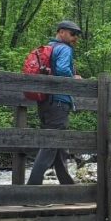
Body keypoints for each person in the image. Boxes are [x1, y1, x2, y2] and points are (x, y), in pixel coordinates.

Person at [27, 20, 82, 185]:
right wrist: (75, 77)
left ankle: (67, 189)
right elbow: (63, 69)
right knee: (50, 145)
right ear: (62, 32)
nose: (75, 39)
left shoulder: (49, 48)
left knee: (59, 145)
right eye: (73, 34)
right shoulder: (64, 49)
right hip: (58, 102)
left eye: (76, 36)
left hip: (45, 102)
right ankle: (31, 191)